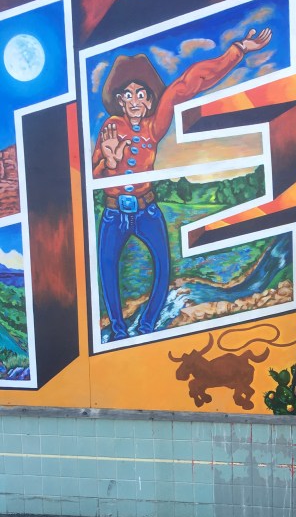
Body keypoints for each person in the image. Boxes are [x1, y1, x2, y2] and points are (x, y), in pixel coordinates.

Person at [92, 27, 272, 340]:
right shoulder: (111, 126)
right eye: (128, 95)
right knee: (107, 270)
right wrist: (109, 161)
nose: (134, 100)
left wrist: (239, 50)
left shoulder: (153, 128)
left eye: (141, 94)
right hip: (113, 213)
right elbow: (93, 176)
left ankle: (147, 326)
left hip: (147, 210)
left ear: (149, 100)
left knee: (163, 267)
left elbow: (187, 85)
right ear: (119, 100)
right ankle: (119, 331)